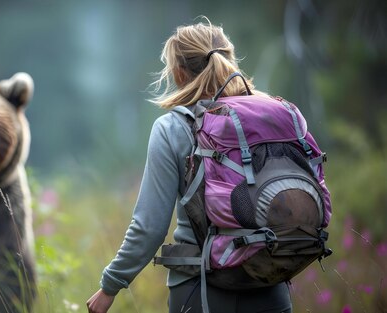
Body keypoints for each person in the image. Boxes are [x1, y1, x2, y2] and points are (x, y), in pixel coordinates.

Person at [86, 20, 293, 313]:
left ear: (179, 72)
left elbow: (149, 227)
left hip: (201, 287)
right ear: (229, 60)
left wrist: (110, 285)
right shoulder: (271, 116)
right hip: (270, 285)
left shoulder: (172, 128)